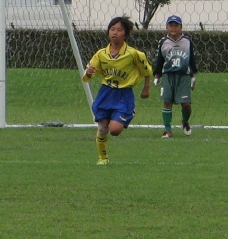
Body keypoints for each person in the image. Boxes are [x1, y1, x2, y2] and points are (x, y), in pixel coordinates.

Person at [82, 16, 152, 165]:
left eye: (119, 30)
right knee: (102, 128)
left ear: (125, 34)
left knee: (114, 130)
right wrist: (88, 73)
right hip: (106, 93)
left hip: (124, 94)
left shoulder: (134, 54)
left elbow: (146, 71)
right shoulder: (101, 54)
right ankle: (103, 158)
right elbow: (90, 73)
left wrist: (146, 88)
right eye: (112, 29)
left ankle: (128, 111)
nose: (115, 32)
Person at [153, 14, 197, 137]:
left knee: (186, 104)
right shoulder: (163, 42)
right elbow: (160, 59)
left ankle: (185, 121)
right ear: (166, 27)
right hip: (168, 75)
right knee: (167, 102)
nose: (173, 28)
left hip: (184, 76)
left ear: (181, 27)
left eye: (176, 25)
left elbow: (191, 59)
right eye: (171, 25)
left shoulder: (187, 41)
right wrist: (157, 75)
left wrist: (193, 75)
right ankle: (168, 130)